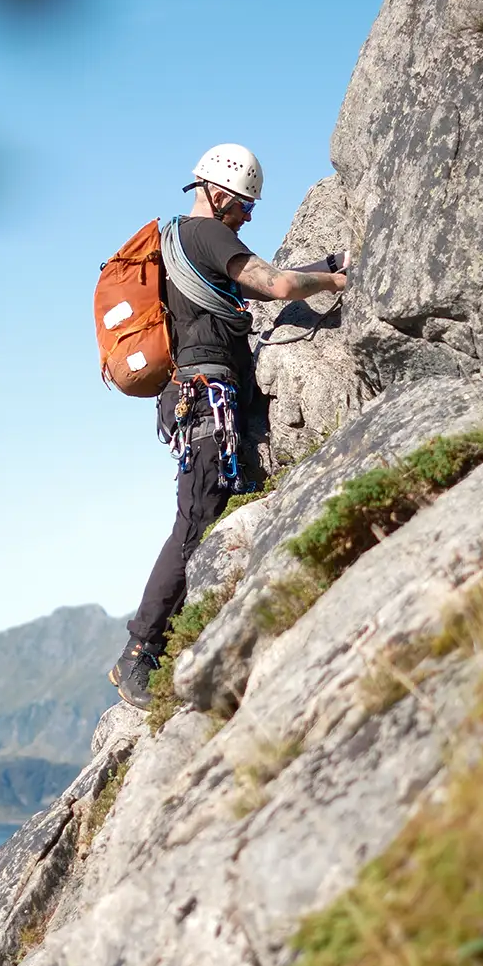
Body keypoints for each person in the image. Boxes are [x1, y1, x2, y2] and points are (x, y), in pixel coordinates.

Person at [109, 143, 349, 709]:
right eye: (244, 206)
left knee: (199, 519)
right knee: (192, 525)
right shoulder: (210, 236)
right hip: (207, 398)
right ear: (218, 194)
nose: (246, 217)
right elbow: (277, 287)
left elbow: (256, 283)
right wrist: (335, 285)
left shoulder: (178, 242)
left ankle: (158, 643)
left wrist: (318, 266)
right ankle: (138, 652)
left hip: (194, 396)